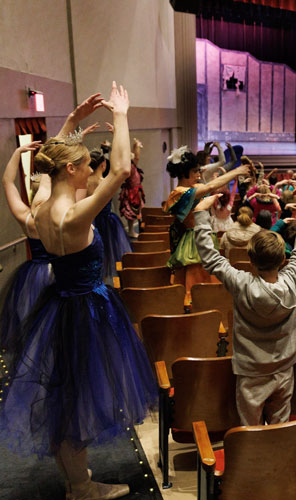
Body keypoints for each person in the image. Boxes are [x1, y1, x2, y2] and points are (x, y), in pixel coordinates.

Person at [0, 84, 157, 500]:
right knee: (75, 398)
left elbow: (51, 164)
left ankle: (78, 479)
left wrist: (72, 121)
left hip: (60, 308)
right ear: (71, 171)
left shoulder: (41, 205)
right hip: (86, 311)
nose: (91, 170)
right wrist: (121, 114)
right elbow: (121, 171)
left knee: (63, 394)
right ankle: (80, 486)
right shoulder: (72, 216)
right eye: (86, 165)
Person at [193, 184, 296, 425]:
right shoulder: (293, 278)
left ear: (250, 260)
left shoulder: (241, 283)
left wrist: (201, 214)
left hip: (250, 372)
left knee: (250, 430)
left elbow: (211, 259)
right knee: (279, 428)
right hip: (284, 369)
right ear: (283, 258)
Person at [164, 146, 249, 295]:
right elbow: (209, 186)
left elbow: (209, 186)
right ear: (184, 173)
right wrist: (236, 171)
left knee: (208, 280)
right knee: (197, 285)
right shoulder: (178, 194)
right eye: (195, 171)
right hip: (193, 242)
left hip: (202, 235)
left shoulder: (192, 187)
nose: (199, 174)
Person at [0, 141, 53, 352]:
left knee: (31, 323)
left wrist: (17, 152)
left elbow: (7, 182)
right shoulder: (60, 216)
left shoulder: (26, 216)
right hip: (56, 271)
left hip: (32, 274)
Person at [87, 148, 132, 284]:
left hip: (91, 222)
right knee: (111, 254)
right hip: (107, 221)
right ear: (103, 165)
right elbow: (121, 171)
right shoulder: (105, 182)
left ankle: (96, 279)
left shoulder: (85, 183)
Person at [118, 137, 145, 238]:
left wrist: (135, 146)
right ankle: (130, 230)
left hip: (136, 190)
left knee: (137, 212)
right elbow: (136, 157)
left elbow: (136, 156)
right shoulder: (130, 167)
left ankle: (134, 229)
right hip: (131, 191)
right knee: (131, 212)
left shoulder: (132, 165)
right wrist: (136, 146)